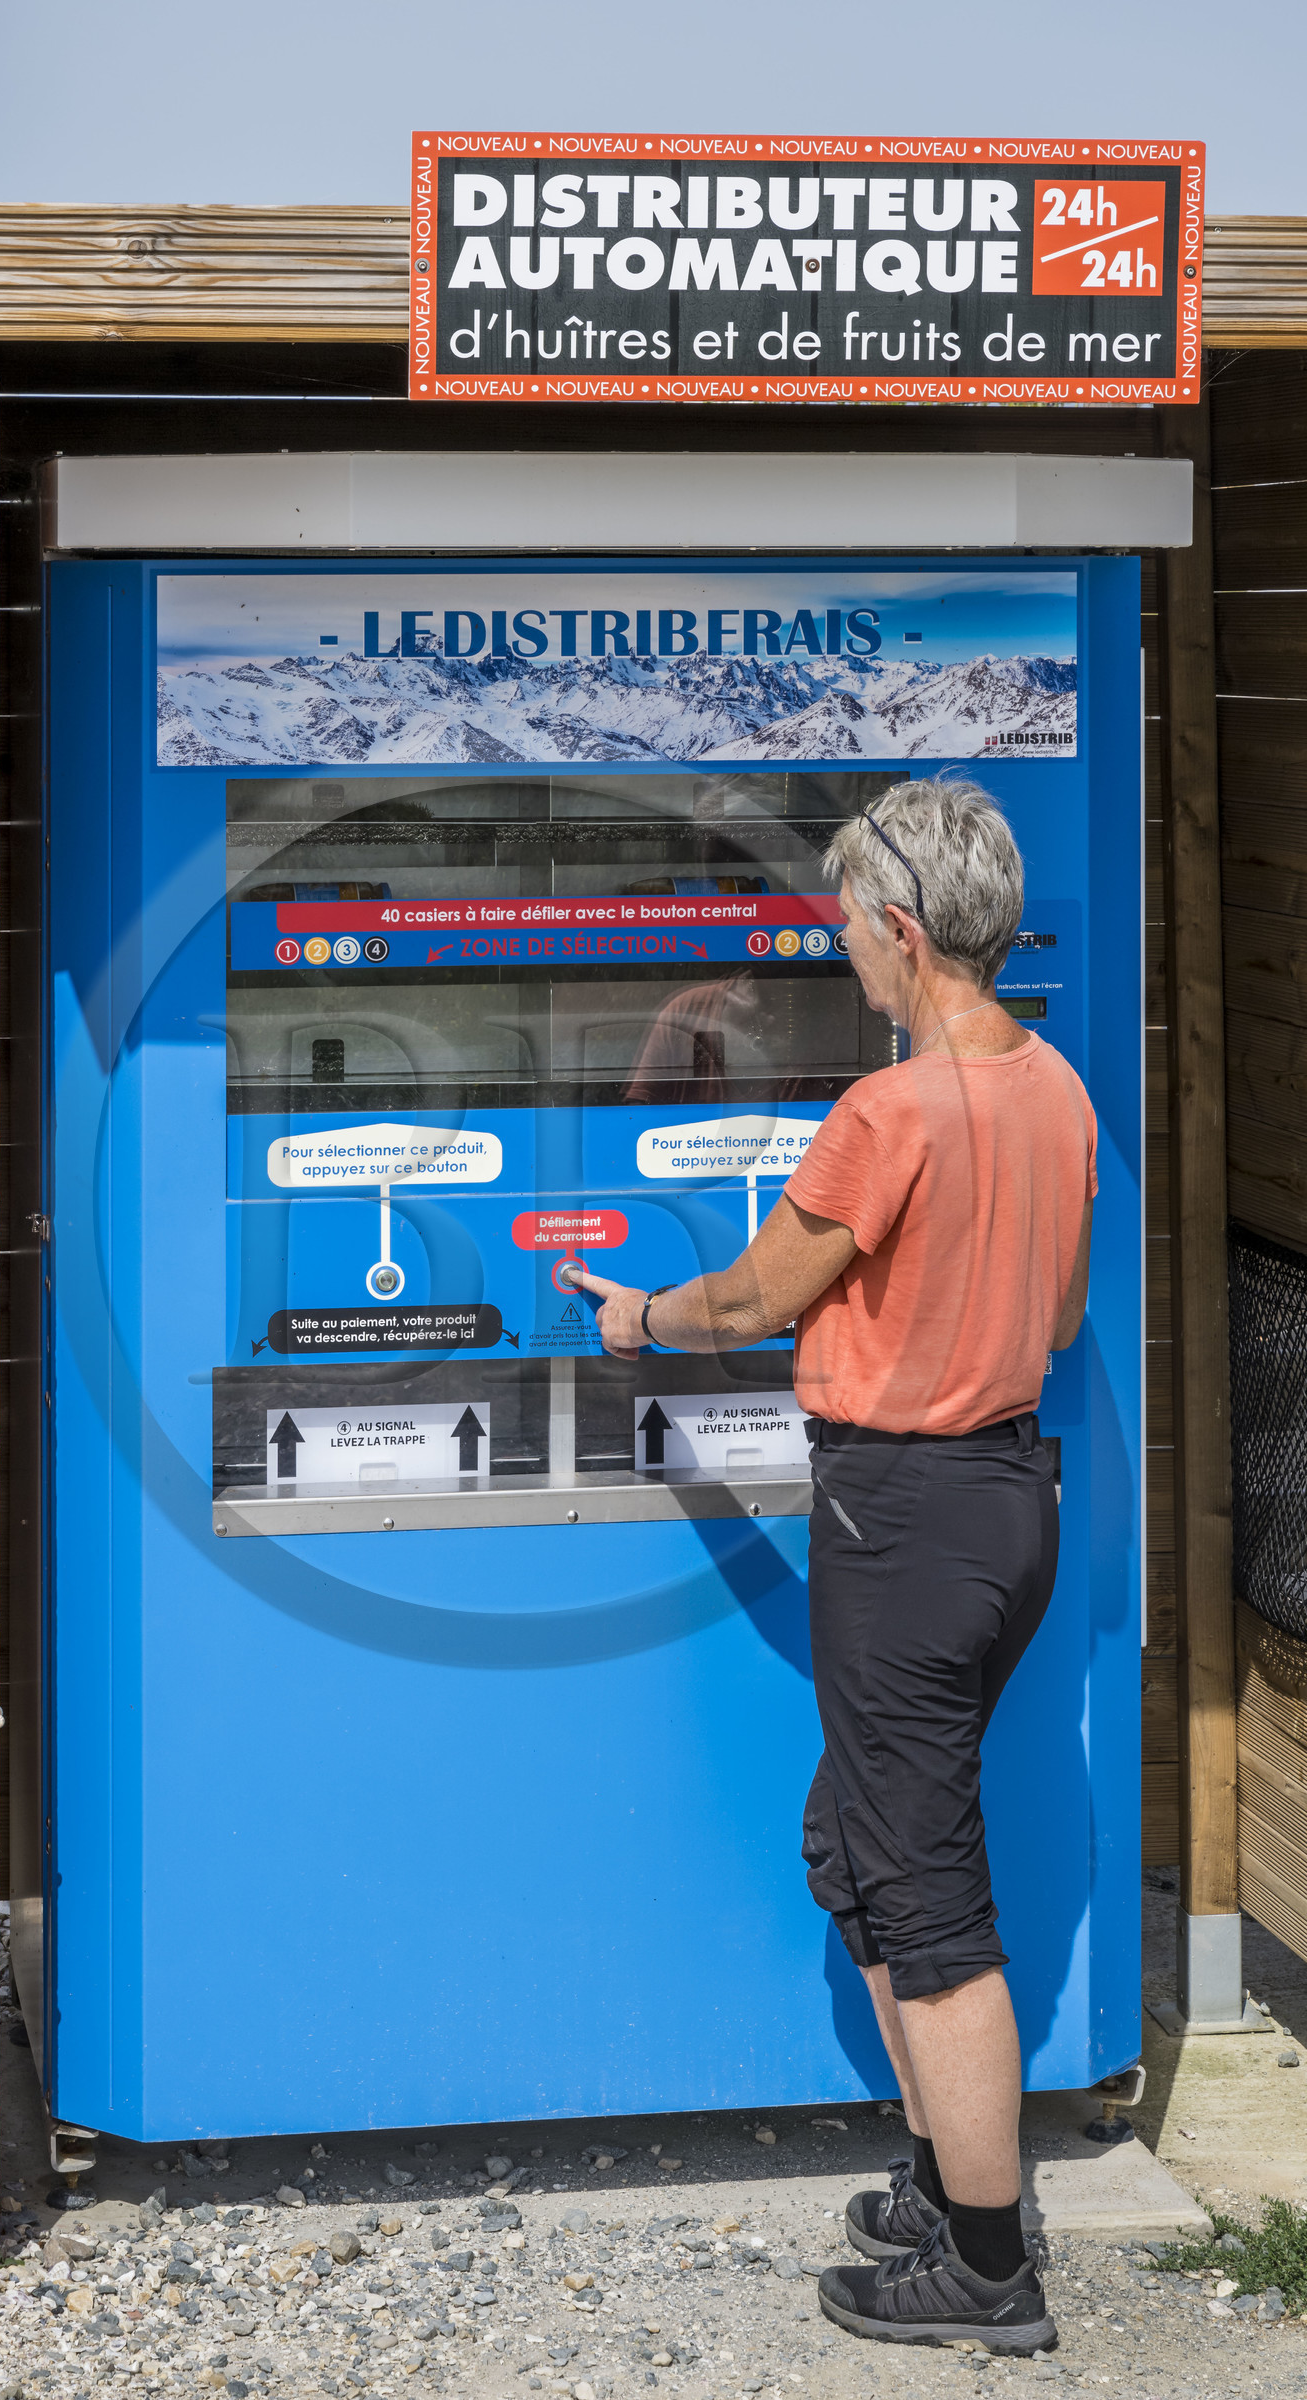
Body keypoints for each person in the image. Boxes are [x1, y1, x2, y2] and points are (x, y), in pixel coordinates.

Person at [571, 779, 1094, 2358]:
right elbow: (1059, 1324)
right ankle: (950, 2182)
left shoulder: (892, 1111)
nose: (839, 947)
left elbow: (749, 1298)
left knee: (927, 1900)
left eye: (852, 922)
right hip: (1007, 1511)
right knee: (859, 1846)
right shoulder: (1056, 1089)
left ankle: (988, 2268)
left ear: (908, 931)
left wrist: (639, 1318)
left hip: (902, 1521)